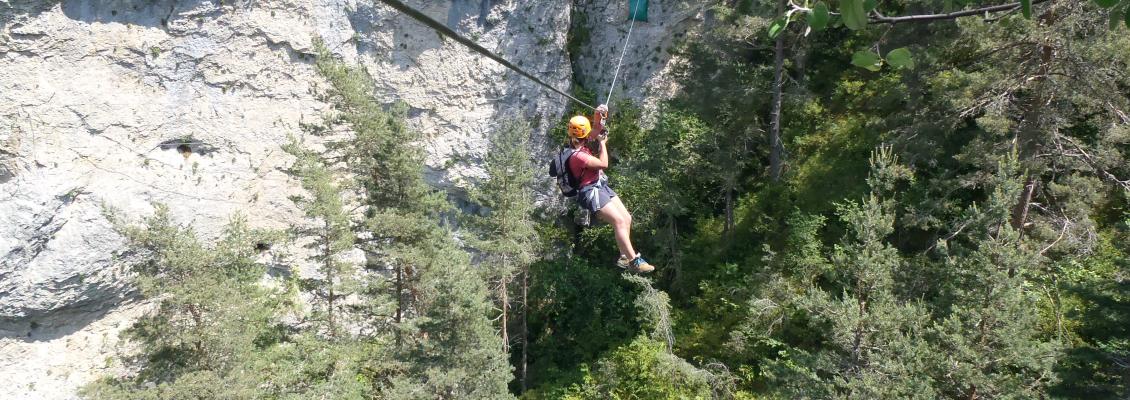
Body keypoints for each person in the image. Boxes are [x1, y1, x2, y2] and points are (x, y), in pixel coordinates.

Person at [566, 104, 654, 273]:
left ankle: (623, 257)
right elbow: (603, 164)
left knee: (626, 218)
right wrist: (602, 144)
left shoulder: (578, 141)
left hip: (600, 185)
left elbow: (596, 129)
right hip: (590, 192)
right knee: (618, 221)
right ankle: (634, 260)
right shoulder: (578, 155)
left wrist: (598, 114)